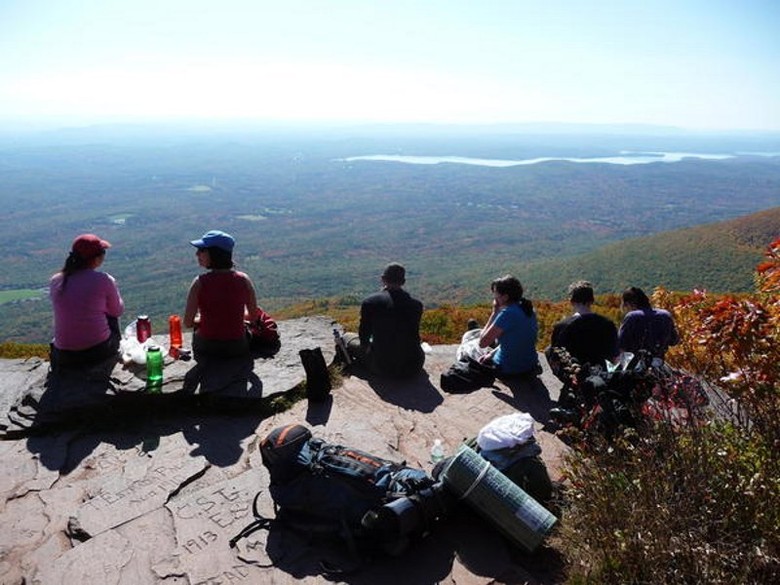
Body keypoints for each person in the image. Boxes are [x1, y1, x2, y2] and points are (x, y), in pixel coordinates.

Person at [49, 233, 124, 369]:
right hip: (99, 352)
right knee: (110, 316)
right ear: (96, 259)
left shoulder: (56, 281)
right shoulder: (104, 280)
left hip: (63, 356)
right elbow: (117, 311)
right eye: (103, 252)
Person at [184, 230, 259, 360]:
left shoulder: (199, 283)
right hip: (238, 347)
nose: (197, 254)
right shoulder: (244, 280)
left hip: (206, 347)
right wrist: (233, 317)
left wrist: (203, 318)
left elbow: (188, 323)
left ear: (214, 254)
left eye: (201, 250)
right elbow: (253, 317)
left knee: (197, 332)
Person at [345, 263, 425, 377]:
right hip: (414, 366)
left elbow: (364, 336)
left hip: (383, 367)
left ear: (383, 279)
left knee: (347, 337)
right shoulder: (417, 305)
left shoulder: (370, 302)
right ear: (403, 282)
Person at [545, 280, 618, 381]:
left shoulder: (562, 326)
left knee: (549, 350)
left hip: (575, 375)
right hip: (601, 373)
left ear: (571, 301)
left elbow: (556, 355)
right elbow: (614, 356)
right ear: (592, 301)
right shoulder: (608, 324)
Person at [477, 275, 540, 376]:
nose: (494, 297)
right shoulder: (528, 309)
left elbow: (482, 343)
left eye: (496, 294)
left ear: (505, 297)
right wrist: (492, 354)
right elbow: (516, 341)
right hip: (530, 364)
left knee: (473, 348)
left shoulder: (507, 313)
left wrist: (494, 312)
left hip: (509, 368)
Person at [618, 286, 680, 359]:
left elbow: (620, 344)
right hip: (658, 364)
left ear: (629, 304)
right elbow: (674, 341)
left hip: (636, 365)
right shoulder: (665, 315)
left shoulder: (632, 317)